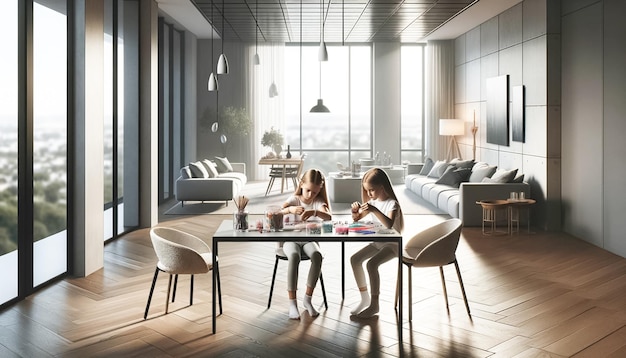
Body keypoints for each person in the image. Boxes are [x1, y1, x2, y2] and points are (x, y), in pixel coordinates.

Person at [349, 168, 404, 318]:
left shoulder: (392, 204)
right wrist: (355, 212)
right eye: (367, 191)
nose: (369, 194)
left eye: (372, 190)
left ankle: (375, 304)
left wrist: (374, 210)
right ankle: (364, 298)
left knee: (371, 264)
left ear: (382, 187)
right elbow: (357, 219)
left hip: (393, 245)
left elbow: (388, 224)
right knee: (355, 259)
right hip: (378, 242)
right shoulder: (372, 202)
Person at [280, 169, 332, 319]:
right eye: (308, 190)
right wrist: (289, 209)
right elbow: (277, 212)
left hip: (310, 239)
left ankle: (307, 299)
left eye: (315, 192)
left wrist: (315, 212)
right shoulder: (294, 199)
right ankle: (292, 303)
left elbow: (328, 217)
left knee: (317, 256)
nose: (310, 195)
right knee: (294, 257)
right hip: (291, 239)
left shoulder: (318, 202)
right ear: (301, 184)